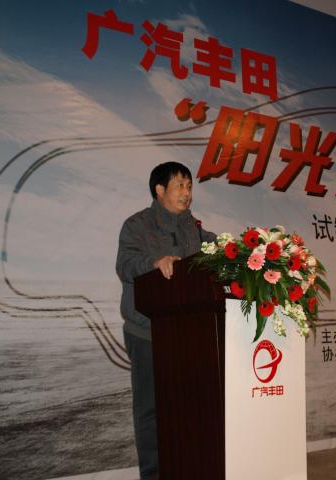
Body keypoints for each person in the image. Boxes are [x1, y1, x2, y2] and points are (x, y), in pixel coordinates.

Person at [116, 161, 216, 480]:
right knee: (152, 412)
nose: (187, 192)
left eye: (189, 185)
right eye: (179, 185)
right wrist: (154, 262)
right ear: (160, 190)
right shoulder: (137, 225)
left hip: (189, 335)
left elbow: (221, 252)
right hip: (147, 332)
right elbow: (125, 264)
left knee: (191, 407)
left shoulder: (195, 229)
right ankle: (154, 475)